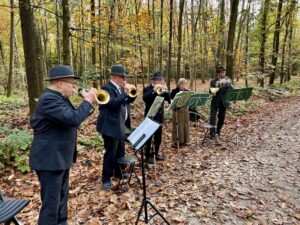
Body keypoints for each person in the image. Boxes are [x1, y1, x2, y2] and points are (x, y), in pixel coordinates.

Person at [29, 65, 97, 225]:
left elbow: (71, 119)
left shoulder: (60, 98)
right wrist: (88, 101)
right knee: (51, 207)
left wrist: (85, 104)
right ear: (60, 83)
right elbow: (73, 119)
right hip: (49, 160)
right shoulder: (48, 99)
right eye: (71, 83)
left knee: (61, 202)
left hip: (59, 159)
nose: (74, 87)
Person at [96, 65, 132, 190]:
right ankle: (106, 179)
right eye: (123, 77)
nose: (124, 79)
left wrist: (129, 94)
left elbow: (128, 101)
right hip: (110, 126)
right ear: (116, 77)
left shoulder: (120, 88)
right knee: (110, 153)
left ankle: (118, 172)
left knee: (120, 151)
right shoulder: (107, 88)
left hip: (120, 125)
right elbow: (114, 104)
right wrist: (125, 93)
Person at [143, 71, 171, 164]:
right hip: (150, 117)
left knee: (158, 137)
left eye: (161, 80)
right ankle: (147, 156)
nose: (160, 82)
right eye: (158, 80)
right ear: (154, 80)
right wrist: (154, 90)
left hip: (159, 117)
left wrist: (166, 91)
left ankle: (155, 153)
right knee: (149, 137)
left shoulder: (162, 89)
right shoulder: (147, 89)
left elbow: (168, 99)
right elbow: (145, 98)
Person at [209, 66, 232, 144]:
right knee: (212, 117)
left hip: (224, 101)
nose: (222, 73)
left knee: (221, 118)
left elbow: (230, 90)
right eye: (221, 72)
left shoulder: (227, 79)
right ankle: (212, 133)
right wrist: (220, 87)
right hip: (215, 101)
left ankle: (218, 131)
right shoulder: (213, 81)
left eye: (223, 72)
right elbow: (211, 91)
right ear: (218, 73)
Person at [170, 78, 190, 147]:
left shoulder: (187, 91)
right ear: (179, 84)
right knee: (178, 126)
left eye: (185, 84)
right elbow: (172, 100)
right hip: (177, 111)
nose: (184, 85)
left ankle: (185, 141)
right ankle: (177, 142)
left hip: (185, 110)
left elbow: (189, 100)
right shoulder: (174, 91)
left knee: (185, 125)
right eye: (182, 84)